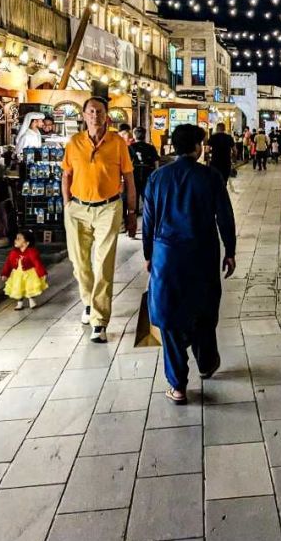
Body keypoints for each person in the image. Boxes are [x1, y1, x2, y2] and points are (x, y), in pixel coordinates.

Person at [143, 123, 236, 406]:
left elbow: (148, 221)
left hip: (167, 256)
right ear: (197, 147)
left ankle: (178, 385)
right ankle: (206, 362)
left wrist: (149, 254)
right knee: (204, 309)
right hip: (203, 254)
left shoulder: (157, 178)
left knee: (169, 319)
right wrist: (230, 251)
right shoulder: (210, 177)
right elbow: (225, 217)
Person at [62, 96, 137, 343]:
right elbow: (66, 175)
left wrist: (131, 212)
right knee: (79, 262)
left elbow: (129, 179)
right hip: (77, 209)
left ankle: (99, 320)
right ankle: (88, 302)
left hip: (109, 207)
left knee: (103, 263)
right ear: (84, 115)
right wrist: (67, 204)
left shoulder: (117, 143)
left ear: (107, 116)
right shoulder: (74, 143)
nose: (95, 115)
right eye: (91, 111)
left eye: (100, 111)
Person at [1, 229, 48, 310]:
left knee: (30, 287)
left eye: (19, 239)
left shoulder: (31, 252)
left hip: (29, 274)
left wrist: (42, 273)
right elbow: (8, 263)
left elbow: (37, 263)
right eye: (16, 238)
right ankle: (20, 303)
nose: (15, 240)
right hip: (17, 274)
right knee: (18, 288)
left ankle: (32, 301)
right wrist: (5, 273)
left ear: (27, 243)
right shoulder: (13, 253)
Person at [130, 126, 159, 212]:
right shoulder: (150, 147)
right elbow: (156, 162)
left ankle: (134, 212)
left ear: (134, 136)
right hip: (148, 173)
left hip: (135, 172)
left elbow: (127, 162)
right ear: (145, 135)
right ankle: (147, 211)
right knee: (146, 194)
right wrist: (156, 175)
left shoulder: (130, 147)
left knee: (134, 193)